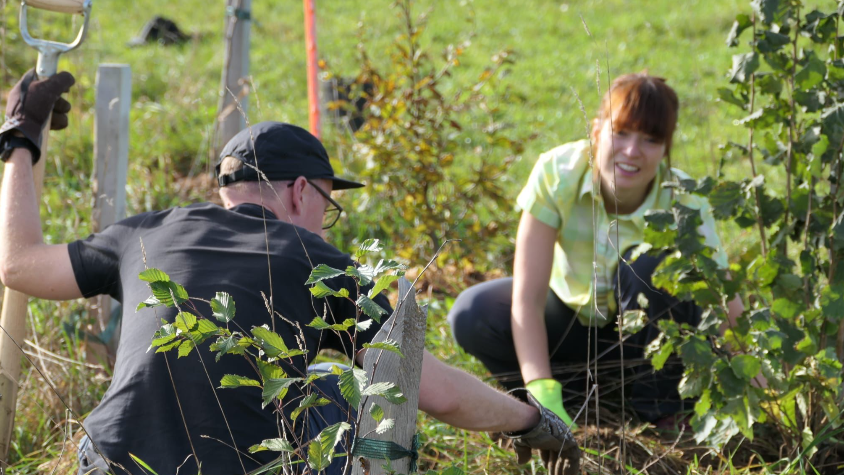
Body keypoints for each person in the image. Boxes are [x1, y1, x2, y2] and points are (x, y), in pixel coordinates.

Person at [0, 70, 579, 475]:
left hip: (108, 463)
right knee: (337, 387)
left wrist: (21, 139)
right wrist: (531, 419)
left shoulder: (149, 232)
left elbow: (18, 265)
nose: (325, 225)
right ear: (301, 191)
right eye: (326, 206)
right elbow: (437, 393)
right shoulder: (326, 266)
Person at [448, 73, 742, 428]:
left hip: (649, 348)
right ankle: (560, 402)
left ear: (666, 147)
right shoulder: (558, 173)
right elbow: (527, 299)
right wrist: (543, 391)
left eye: (650, 139)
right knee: (473, 312)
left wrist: (757, 377)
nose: (632, 151)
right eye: (621, 132)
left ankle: (662, 413)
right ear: (597, 129)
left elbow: (725, 300)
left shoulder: (686, 201)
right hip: (571, 325)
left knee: (646, 265)